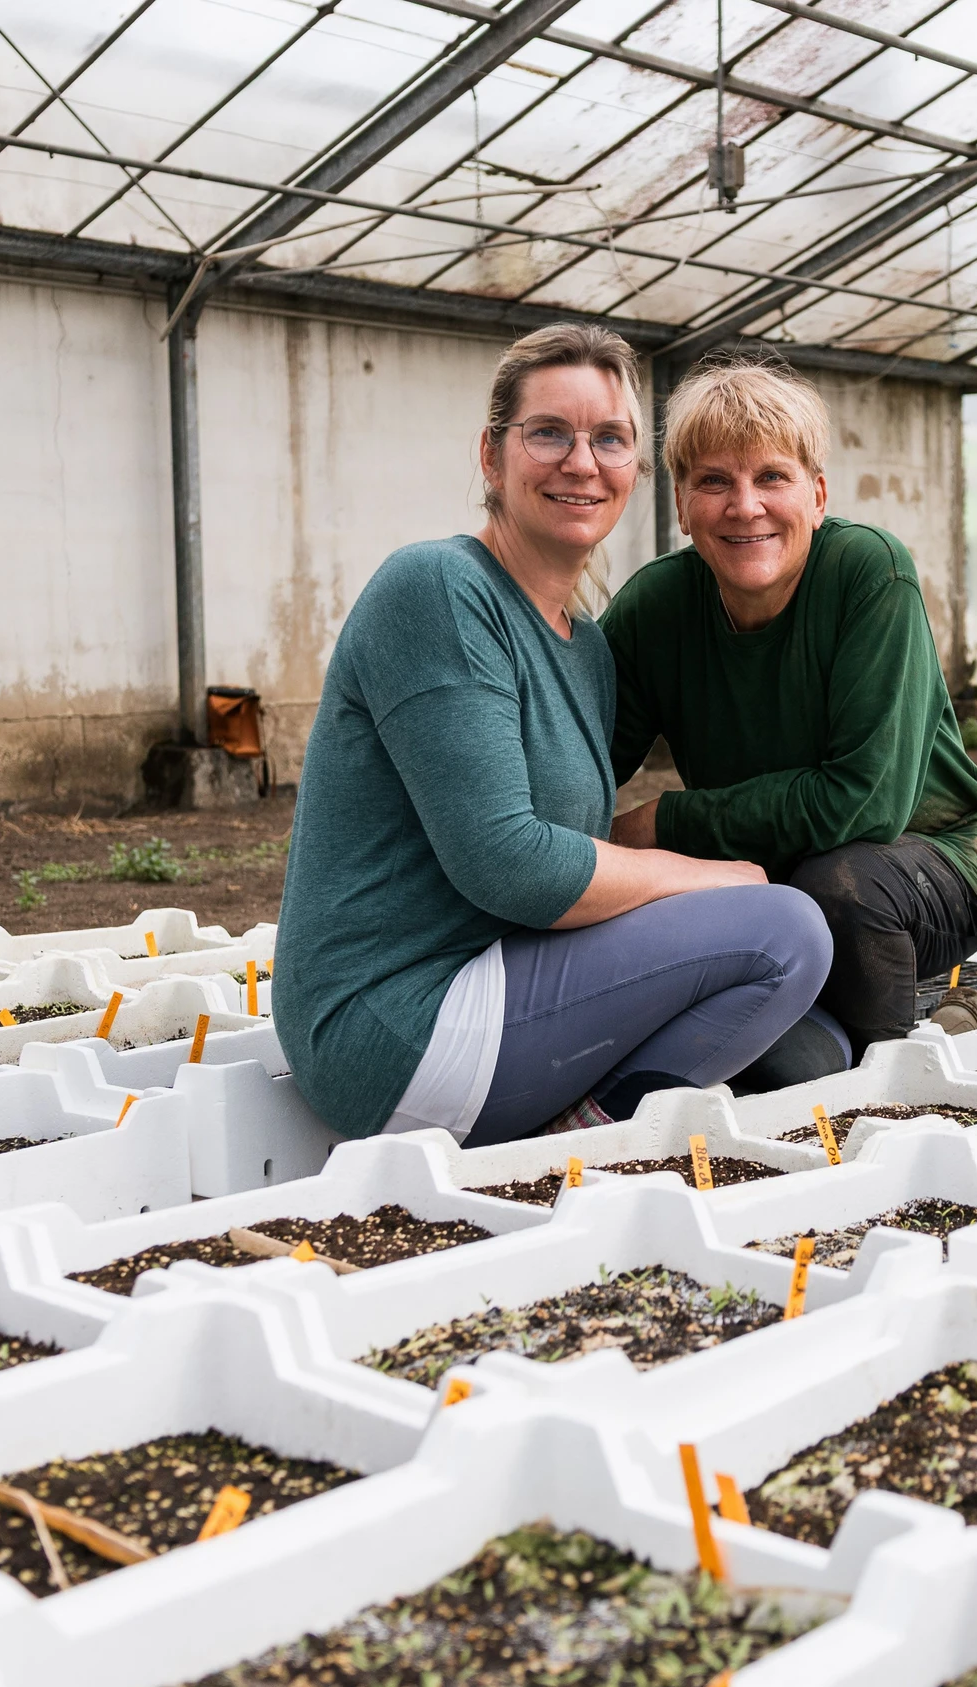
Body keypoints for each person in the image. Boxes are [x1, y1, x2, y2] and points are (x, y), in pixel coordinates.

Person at [272, 325, 833, 1144]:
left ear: (637, 473)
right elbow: (511, 865)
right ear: (491, 456)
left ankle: (583, 1120)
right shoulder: (437, 589)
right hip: (398, 1021)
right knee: (786, 933)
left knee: (817, 1050)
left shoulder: (588, 651)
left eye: (610, 438)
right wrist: (700, 873)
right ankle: (587, 1141)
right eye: (548, 433)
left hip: (502, 980)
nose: (581, 461)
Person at [604, 357, 977, 1062]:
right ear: (681, 502)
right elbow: (579, 766)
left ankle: (894, 1080)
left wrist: (660, 821)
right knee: (778, 1039)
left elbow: (866, 803)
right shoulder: (656, 609)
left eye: (772, 476)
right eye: (714, 480)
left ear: (818, 493)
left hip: (942, 858)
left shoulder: (867, 572)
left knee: (839, 886)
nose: (745, 506)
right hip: (774, 871)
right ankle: (887, 1037)